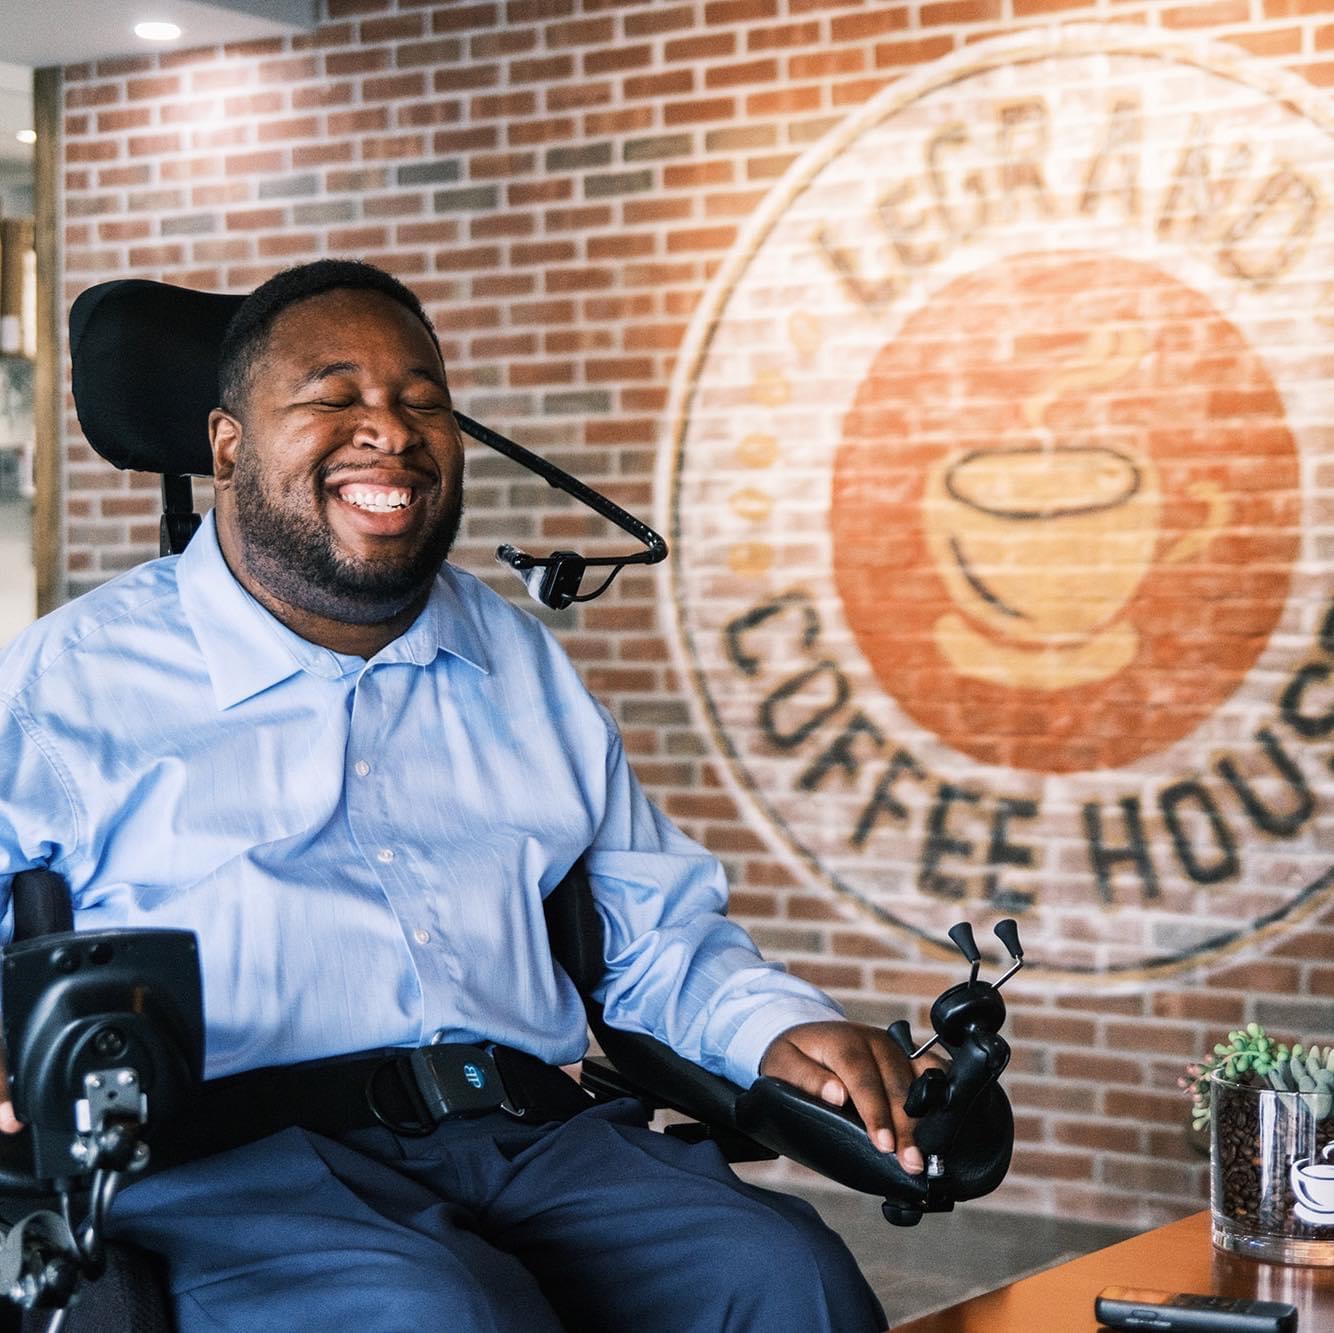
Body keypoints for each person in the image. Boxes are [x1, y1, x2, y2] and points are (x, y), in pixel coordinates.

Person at [0, 260, 935, 1332]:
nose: (389, 432)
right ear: (227, 445)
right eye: (334, 397)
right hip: (228, 1164)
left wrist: (776, 1027)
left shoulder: (518, 667)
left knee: (783, 1274)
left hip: (532, 1138)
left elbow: (651, 934)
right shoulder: (66, 681)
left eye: (422, 403)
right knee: (438, 1311)